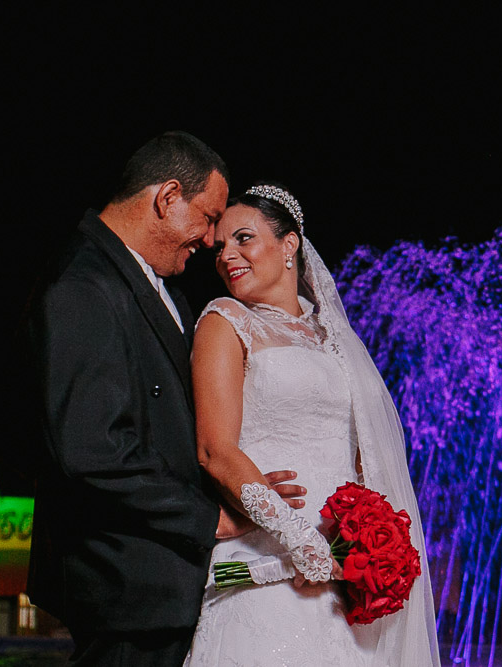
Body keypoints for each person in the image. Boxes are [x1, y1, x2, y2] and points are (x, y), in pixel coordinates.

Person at [23, 132, 304, 666]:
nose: (210, 240)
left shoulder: (154, 284)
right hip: (127, 587)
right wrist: (210, 521)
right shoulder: (82, 285)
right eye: (208, 217)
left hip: (166, 585)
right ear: (167, 197)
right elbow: (92, 451)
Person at [184, 184, 441, 666]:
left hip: (343, 577)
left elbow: (365, 451)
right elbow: (215, 450)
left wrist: (368, 548)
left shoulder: (334, 337)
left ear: (289, 244)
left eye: (243, 238)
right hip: (266, 563)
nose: (227, 256)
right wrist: (299, 540)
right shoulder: (226, 320)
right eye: (220, 247)